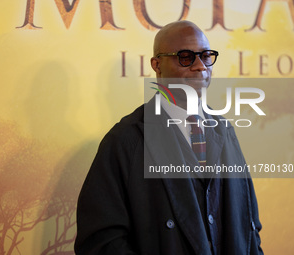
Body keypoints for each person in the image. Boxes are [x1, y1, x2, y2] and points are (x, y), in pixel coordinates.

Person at [74, 21, 263, 255]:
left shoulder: (225, 130)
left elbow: (249, 225)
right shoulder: (126, 140)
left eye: (205, 56)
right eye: (185, 57)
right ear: (157, 65)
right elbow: (101, 240)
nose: (199, 67)